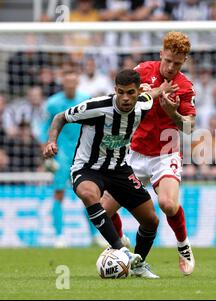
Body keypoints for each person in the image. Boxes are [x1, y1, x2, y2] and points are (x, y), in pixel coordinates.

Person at [42, 69, 175, 278]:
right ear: (115, 90)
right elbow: (60, 117)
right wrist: (51, 141)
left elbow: (153, 94)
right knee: (88, 194)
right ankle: (120, 250)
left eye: (130, 93)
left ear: (138, 91)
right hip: (87, 167)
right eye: (120, 92)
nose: (125, 98)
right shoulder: (96, 107)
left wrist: (163, 88)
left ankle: (138, 264)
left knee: (151, 220)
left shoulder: (143, 103)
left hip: (120, 168)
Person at [101, 31, 196, 276]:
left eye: (178, 63)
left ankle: (183, 246)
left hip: (166, 153)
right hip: (133, 153)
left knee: (167, 204)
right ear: (161, 54)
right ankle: (121, 243)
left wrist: (173, 113)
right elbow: (119, 99)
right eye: (168, 60)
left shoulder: (184, 87)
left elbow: (189, 127)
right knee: (104, 209)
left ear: (184, 61)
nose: (171, 67)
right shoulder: (142, 71)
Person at [40, 66, 105, 247]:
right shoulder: (52, 104)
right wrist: (47, 154)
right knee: (59, 193)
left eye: (73, 78)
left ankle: (95, 235)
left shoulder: (85, 100)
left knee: (90, 194)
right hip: (61, 155)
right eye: (66, 78)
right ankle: (59, 236)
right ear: (62, 81)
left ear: (77, 80)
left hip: (84, 155)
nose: (70, 82)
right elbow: (43, 130)